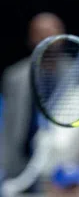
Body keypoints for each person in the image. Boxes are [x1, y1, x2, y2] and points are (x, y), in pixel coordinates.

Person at [0, 12, 65, 194]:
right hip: (22, 160)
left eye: (53, 32)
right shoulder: (14, 76)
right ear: (31, 38)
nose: (47, 38)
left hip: (62, 158)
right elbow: (9, 124)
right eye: (41, 33)